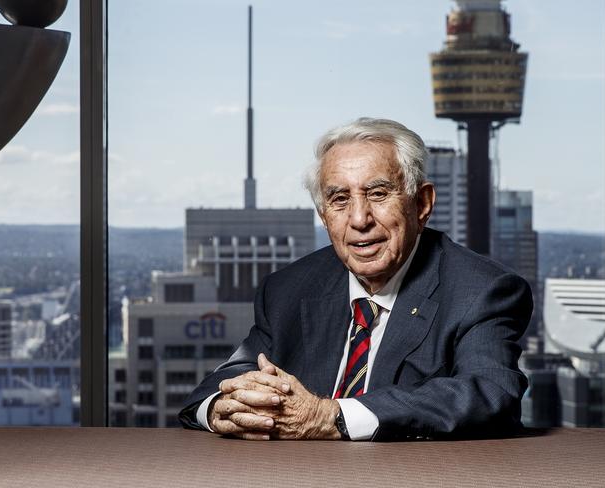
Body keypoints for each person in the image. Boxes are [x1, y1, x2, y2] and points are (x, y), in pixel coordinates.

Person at [178, 117, 532, 441]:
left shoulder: (482, 290)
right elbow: (232, 375)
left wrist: (331, 416)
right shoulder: (289, 289)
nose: (359, 219)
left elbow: (490, 392)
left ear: (422, 204)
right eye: (340, 199)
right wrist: (222, 407)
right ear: (323, 215)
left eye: (378, 194)